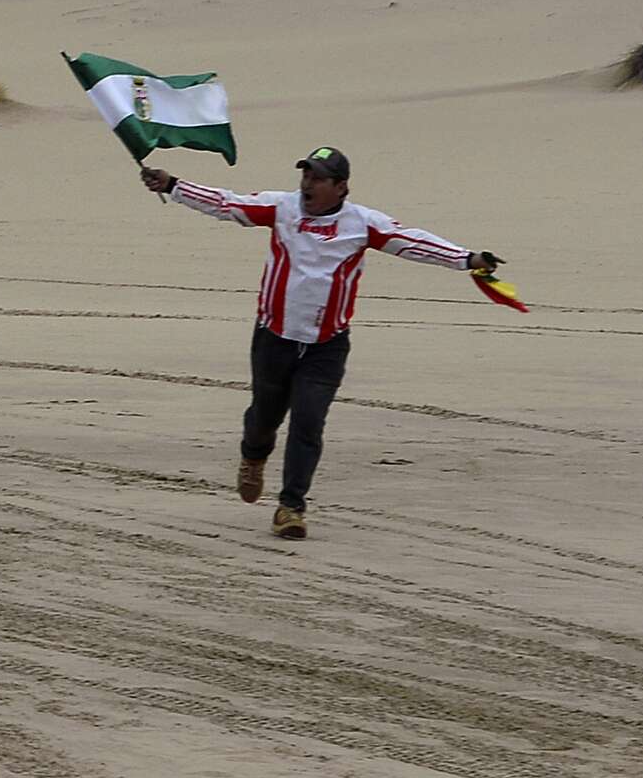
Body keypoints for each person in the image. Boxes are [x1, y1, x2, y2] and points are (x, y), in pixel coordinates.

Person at [138, 146, 503, 539]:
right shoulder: (282, 208)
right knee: (264, 418)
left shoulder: (362, 224)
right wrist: (173, 185)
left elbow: (412, 242)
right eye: (305, 175)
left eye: (317, 178)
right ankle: (253, 457)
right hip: (273, 338)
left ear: (340, 187)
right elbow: (226, 203)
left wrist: (468, 259)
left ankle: (291, 507)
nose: (307, 184)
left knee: (308, 423)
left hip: (326, 346)